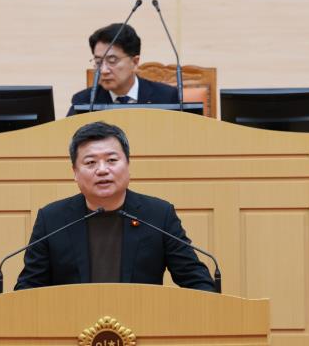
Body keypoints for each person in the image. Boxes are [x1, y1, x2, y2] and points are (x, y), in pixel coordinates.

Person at [14, 121, 215, 292]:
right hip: (72, 324)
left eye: (111, 160)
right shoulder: (52, 219)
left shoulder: (158, 215)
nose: (102, 170)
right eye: (90, 162)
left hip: (141, 322)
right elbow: (27, 289)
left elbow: (197, 281)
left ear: (128, 165)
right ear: (75, 172)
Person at [66, 23, 179, 116]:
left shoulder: (166, 97)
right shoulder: (84, 101)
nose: (104, 70)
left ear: (135, 62)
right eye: (98, 62)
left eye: (112, 60)